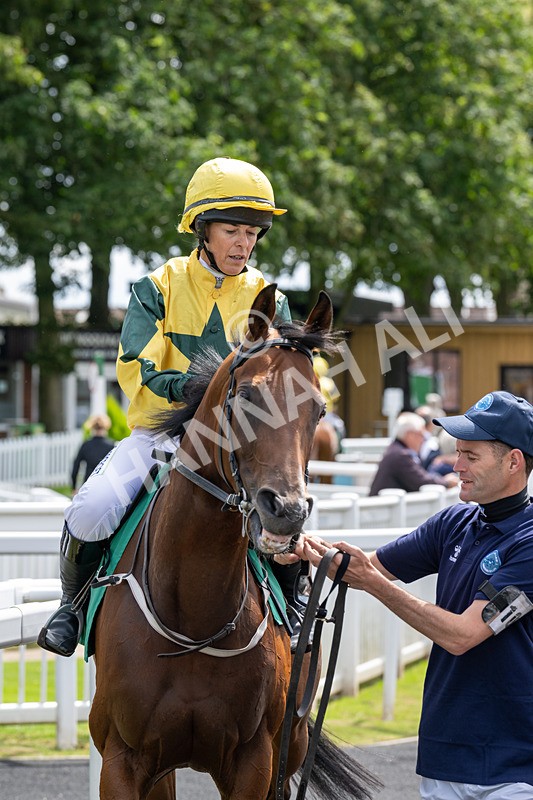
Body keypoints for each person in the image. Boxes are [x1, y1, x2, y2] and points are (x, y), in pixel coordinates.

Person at [38, 156, 309, 657]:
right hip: (162, 434)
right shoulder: (158, 285)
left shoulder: (269, 298)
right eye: (232, 231)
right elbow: (135, 365)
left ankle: (291, 606)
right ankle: (71, 607)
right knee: (93, 507)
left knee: (288, 509)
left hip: (238, 443)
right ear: (202, 230)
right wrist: (196, 392)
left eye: (253, 234)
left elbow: (286, 375)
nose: (244, 245)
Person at [303, 390, 533, 799]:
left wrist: (374, 584)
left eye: (471, 457)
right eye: (457, 452)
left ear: (514, 461)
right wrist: (301, 549)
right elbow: (364, 565)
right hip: (443, 756)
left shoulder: (528, 542)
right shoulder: (456, 521)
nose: (456, 465)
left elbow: (462, 635)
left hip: (512, 769)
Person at [369, 411, 458, 496]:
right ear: (410, 435)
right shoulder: (401, 455)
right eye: (421, 435)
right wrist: (447, 482)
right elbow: (420, 481)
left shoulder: (397, 450)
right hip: (382, 509)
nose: (423, 440)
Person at [70, 414, 115, 494]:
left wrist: (74, 487)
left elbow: (75, 466)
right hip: (105, 486)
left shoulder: (86, 445)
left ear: (92, 428)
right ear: (106, 428)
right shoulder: (111, 446)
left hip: (88, 484)